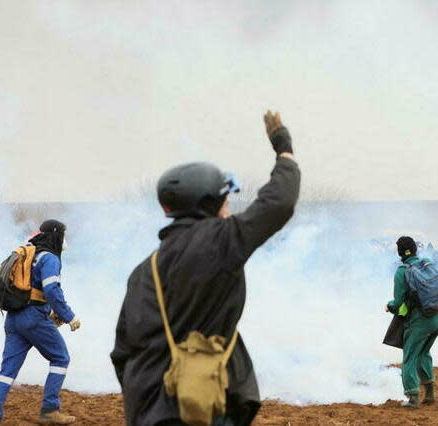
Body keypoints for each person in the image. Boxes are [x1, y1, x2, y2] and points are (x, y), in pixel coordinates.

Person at [110, 110, 300, 425]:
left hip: (147, 411)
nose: (228, 208)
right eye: (224, 201)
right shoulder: (220, 242)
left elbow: (122, 353)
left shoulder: (145, 271)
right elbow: (278, 203)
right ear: (209, 204)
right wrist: (284, 147)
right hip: (201, 409)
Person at [0, 220, 80, 425]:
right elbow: (52, 290)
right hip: (33, 318)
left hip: (14, 319)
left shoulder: (29, 253)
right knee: (61, 358)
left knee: (7, 371)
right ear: (56, 235)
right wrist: (69, 316)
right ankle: (50, 410)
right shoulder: (49, 258)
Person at [386, 237, 438, 408]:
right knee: (423, 353)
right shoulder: (427, 263)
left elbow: (398, 303)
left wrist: (389, 306)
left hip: (421, 320)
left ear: (400, 253)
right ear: (415, 250)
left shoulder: (402, 271)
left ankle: (412, 397)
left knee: (410, 357)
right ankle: (430, 393)